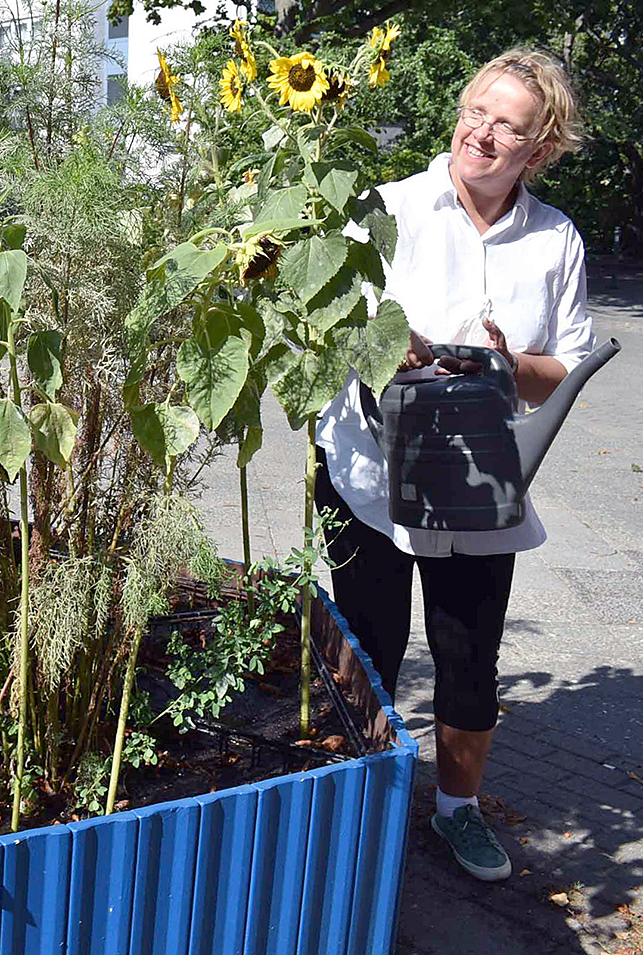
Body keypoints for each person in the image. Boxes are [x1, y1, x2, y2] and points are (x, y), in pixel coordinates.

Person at [314, 48, 593, 882]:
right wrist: (383, 344)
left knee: (469, 658)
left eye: (509, 125)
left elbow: (562, 370)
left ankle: (456, 810)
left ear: (541, 149)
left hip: (477, 484)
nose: (482, 133)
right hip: (369, 472)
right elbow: (327, 321)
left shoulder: (554, 239)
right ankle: (359, 812)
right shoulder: (388, 209)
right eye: (477, 111)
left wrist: (508, 364)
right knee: (366, 649)